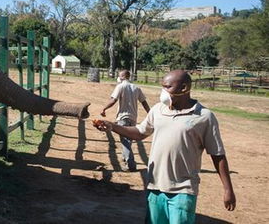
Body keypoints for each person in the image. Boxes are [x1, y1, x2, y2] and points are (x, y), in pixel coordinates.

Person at [95, 70, 236, 223]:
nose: (163, 92)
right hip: (155, 187)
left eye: (167, 87)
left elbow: (218, 154)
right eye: (162, 86)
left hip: (183, 189)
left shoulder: (204, 117)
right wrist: (112, 126)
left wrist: (228, 189)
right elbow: (139, 132)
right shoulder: (157, 110)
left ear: (183, 88)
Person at [101, 70, 150, 171]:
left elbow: (113, 100)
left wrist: (104, 108)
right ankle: (125, 158)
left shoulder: (120, 86)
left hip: (123, 117)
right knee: (128, 140)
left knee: (125, 141)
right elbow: (144, 102)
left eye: (119, 75)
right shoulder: (136, 88)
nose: (118, 77)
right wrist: (150, 113)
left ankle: (130, 165)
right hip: (133, 118)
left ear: (123, 76)